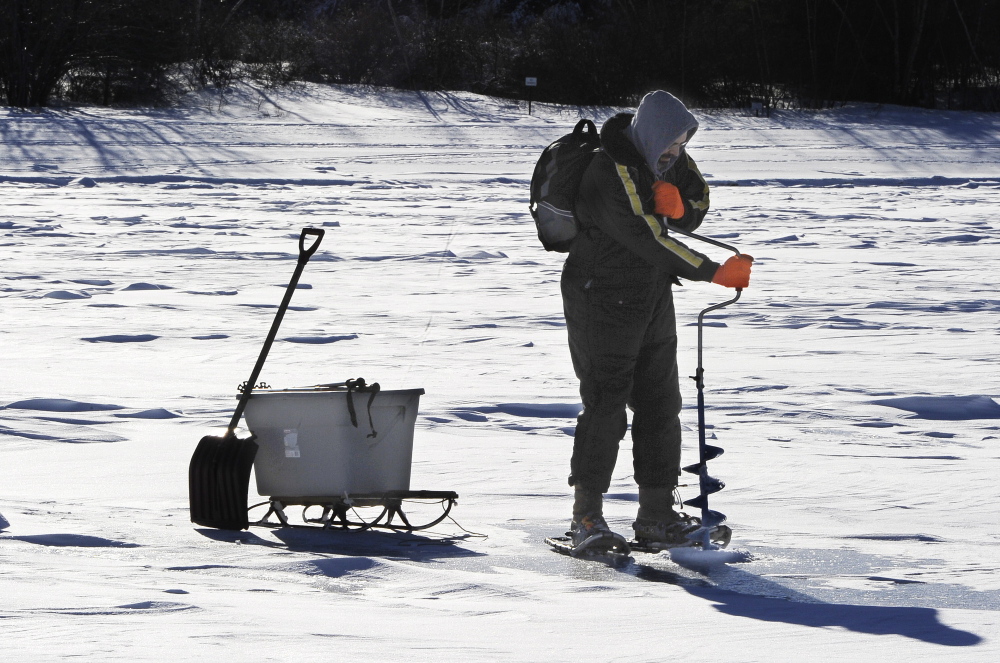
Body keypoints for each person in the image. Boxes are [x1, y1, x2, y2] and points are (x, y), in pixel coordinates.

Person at [561, 90, 753, 548]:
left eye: (681, 146)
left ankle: (656, 514)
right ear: (648, 136)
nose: (674, 155)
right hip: (600, 296)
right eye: (669, 146)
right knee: (607, 405)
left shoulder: (668, 156)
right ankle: (586, 518)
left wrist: (682, 208)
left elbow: (699, 200)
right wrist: (713, 270)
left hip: (650, 296)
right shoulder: (610, 169)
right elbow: (645, 237)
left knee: (661, 405)